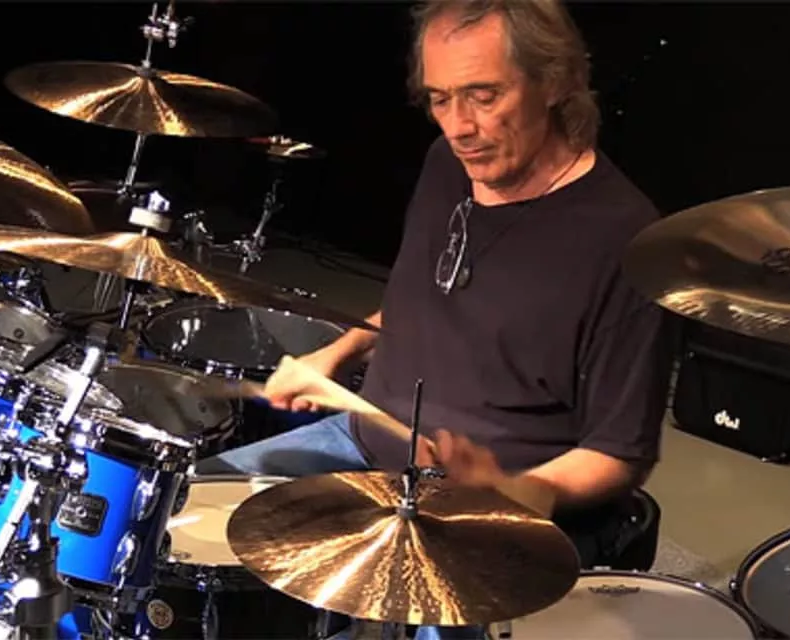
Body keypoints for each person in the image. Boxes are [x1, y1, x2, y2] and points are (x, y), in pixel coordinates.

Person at [195, 0, 672, 636]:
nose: (459, 126)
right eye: (440, 99)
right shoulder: (447, 165)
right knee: (188, 516)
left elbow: (620, 452)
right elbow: (422, 300)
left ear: (555, 80)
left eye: (483, 95)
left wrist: (520, 490)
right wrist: (334, 355)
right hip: (362, 444)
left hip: (485, 508)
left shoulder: (626, 243)